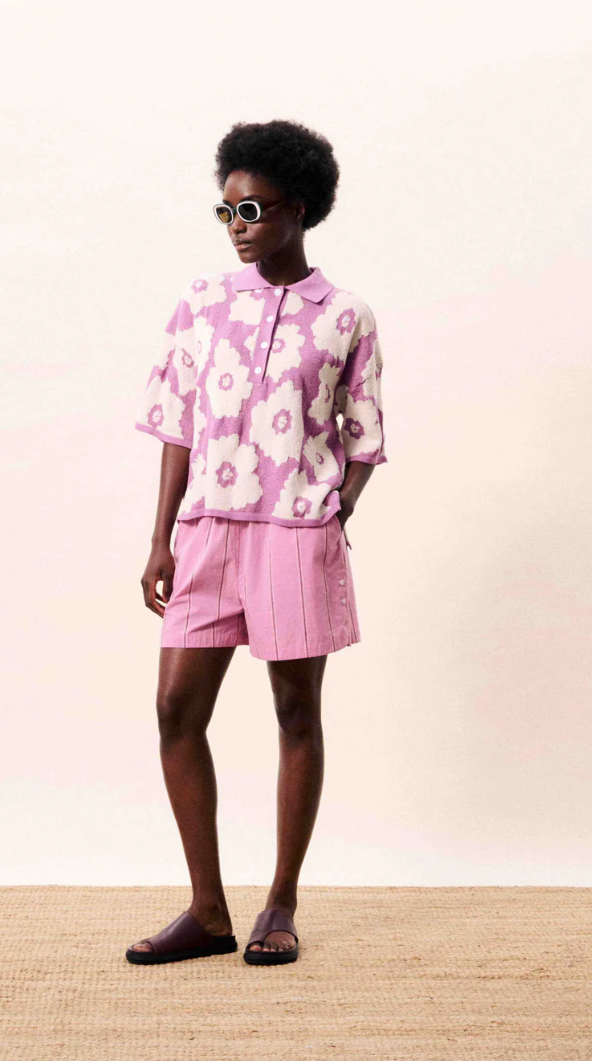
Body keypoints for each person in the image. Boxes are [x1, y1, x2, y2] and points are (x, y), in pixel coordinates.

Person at [126, 119, 387, 966]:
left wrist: (334, 512)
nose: (236, 225)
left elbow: (364, 436)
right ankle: (207, 912)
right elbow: (177, 426)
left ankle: (281, 901)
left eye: (252, 209)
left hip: (294, 534)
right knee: (175, 709)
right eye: (226, 210)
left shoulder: (344, 315)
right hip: (208, 529)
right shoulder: (202, 303)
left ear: (298, 208)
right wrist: (161, 538)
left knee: (294, 710)